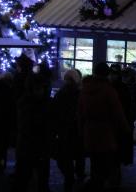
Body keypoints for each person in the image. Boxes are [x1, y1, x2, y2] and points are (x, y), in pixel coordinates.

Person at [79, 62, 129, 191]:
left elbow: (79, 111)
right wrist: (125, 129)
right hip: (106, 133)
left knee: (95, 163)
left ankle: (94, 183)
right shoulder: (108, 90)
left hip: (89, 131)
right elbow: (118, 113)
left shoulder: (85, 88)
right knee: (106, 165)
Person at [13, 72, 53, 192]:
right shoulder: (27, 104)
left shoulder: (27, 102)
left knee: (38, 178)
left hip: (36, 146)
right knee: (27, 177)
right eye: (38, 88)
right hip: (31, 146)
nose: (40, 91)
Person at [52, 69, 84, 192]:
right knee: (76, 154)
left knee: (67, 157)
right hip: (74, 130)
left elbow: (55, 111)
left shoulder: (61, 93)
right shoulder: (79, 93)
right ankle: (77, 176)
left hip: (66, 130)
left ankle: (70, 178)